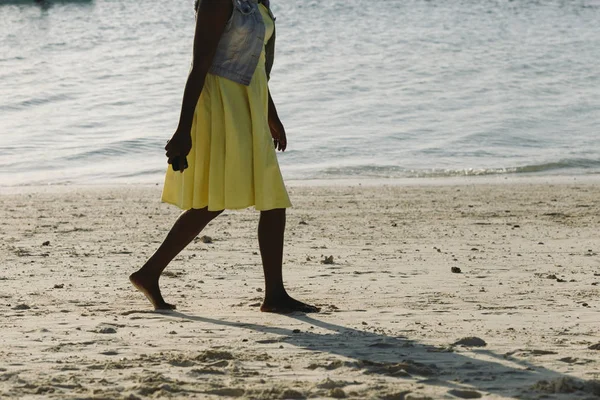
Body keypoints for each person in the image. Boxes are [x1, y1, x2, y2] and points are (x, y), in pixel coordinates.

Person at [129, 0, 319, 314]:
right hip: (221, 105)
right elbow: (200, 65)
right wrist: (182, 130)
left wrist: (272, 115)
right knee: (225, 198)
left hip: (251, 100)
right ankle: (272, 295)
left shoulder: (259, 1)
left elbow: (254, 61)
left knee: (259, 198)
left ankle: (151, 273)